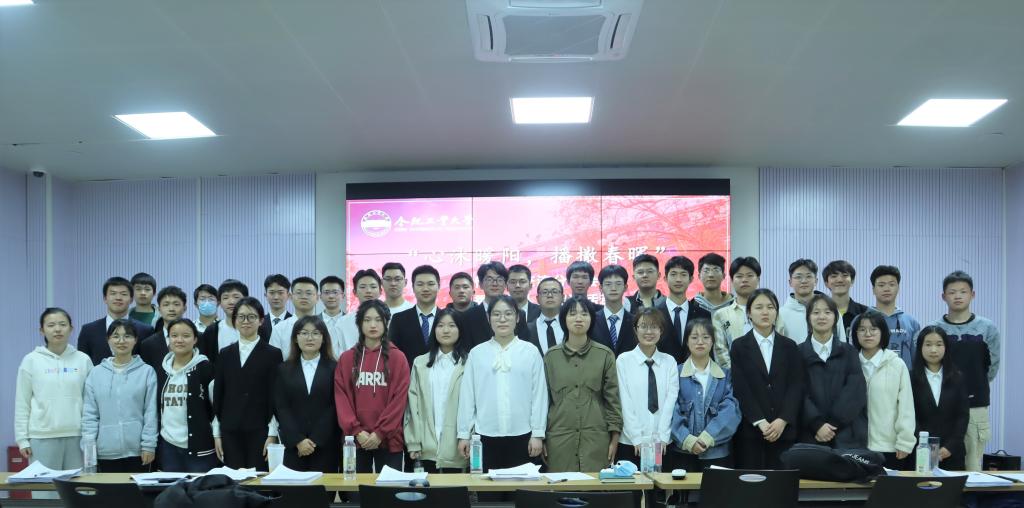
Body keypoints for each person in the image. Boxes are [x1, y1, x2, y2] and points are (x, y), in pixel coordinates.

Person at [457, 295, 547, 472]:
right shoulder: (477, 353)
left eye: (508, 313)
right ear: (488, 318)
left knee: (521, 487)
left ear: (517, 317)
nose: (502, 319)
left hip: (523, 435)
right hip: (484, 435)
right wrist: (464, 434)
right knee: (486, 488)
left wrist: (538, 433)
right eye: (496, 314)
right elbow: (467, 397)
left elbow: (539, 395)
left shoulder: (530, 352)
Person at [544, 297, 622, 472]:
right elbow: (544, 402)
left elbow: (613, 400)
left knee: (594, 488)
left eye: (584, 314)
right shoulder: (551, 357)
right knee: (561, 488)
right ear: (563, 319)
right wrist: (541, 437)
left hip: (596, 441)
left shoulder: (605, 355)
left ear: (592, 319)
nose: (578, 318)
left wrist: (614, 438)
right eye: (572, 314)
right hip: (559, 441)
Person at [932, 270, 1000, 471]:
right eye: (952, 292)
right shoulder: (934, 329)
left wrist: (974, 385)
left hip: (975, 406)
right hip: (941, 406)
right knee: (937, 465)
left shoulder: (987, 328)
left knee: (972, 467)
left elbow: (992, 366)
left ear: (972, 294)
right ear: (943, 296)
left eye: (963, 291)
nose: (958, 296)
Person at [730, 288, 804, 469]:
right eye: (759, 307)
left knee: (782, 482)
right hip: (751, 430)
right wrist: (760, 421)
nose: (765, 312)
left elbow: (796, 386)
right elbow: (741, 388)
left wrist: (782, 420)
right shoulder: (739, 346)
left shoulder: (790, 346)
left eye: (770, 307)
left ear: (776, 312)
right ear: (749, 313)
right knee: (751, 481)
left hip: (784, 430)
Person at [335, 300, 411, 472]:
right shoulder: (347, 359)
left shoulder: (398, 358)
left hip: (389, 439)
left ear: (386, 323)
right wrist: (357, 431)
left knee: (389, 487)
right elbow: (342, 399)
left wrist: (380, 432)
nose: (373, 325)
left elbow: (399, 401)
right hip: (355, 439)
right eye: (367, 320)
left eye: (378, 320)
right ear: (359, 324)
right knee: (355, 488)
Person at [15, 308, 93, 473]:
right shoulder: (31, 360)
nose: (57, 329)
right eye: (51, 325)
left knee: (77, 487)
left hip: (77, 436)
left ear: (71, 329)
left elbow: (91, 401)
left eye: (62, 324)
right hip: (42, 437)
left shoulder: (83, 360)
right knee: (44, 488)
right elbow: (22, 402)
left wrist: (91, 436)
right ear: (42, 330)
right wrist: (22, 439)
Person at [213, 297, 282, 469]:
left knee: (258, 479)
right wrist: (217, 433)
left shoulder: (273, 354)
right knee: (233, 480)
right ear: (234, 320)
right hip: (230, 429)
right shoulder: (225, 353)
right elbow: (218, 395)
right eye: (241, 317)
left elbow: (275, 396)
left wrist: (272, 433)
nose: (246, 321)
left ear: (261, 320)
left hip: (260, 429)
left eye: (252, 317)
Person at [82, 319, 158, 472]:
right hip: (105, 452)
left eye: (127, 336)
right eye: (116, 336)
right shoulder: (96, 373)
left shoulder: (147, 372)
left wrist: (149, 445)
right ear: (108, 340)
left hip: (138, 451)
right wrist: (89, 450)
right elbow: (90, 415)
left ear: (135, 340)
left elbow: (150, 412)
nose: (121, 341)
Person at [405, 308, 471, 473]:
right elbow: (413, 406)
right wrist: (414, 442)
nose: (446, 330)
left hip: (458, 448)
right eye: (440, 325)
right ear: (434, 330)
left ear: (460, 330)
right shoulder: (420, 363)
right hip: (426, 448)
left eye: (452, 325)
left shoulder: (469, 363)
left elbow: (474, 406)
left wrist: (470, 437)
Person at [670, 318, 741, 471]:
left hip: (717, 453)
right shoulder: (675, 373)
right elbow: (670, 410)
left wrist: (707, 437)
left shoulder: (725, 375)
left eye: (706, 337)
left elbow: (731, 410)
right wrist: (688, 440)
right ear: (687, 341)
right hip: (683, 453)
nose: (700, 342)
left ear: (712, 341)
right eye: (694, 337)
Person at [798, 295, 867, 449]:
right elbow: (797, 392)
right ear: (808, 318)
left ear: (835, 318)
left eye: (827, 312)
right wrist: (817, 424)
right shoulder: (798, 352)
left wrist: (833, 424)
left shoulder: (849, 352)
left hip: (845, 434)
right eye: (816, 312)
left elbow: (855, 391)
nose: (822, 317)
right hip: (809, 434)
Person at [273, 315, 340, 473]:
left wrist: (315, 440)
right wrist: (298, 440)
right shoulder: (284, 369)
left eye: (316, 333)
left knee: (324, 487)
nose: (310, 338)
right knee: (296, 488)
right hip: (295, 446)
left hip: (326, 445)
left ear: (324, 338)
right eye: (304, 333)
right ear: (295, 338)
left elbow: (335, 406)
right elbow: (281, 407)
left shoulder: (335, 368)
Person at [851, 311, 915, 470]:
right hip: (855, 447)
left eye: (873, 329)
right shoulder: (850, 363)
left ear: (883, 332)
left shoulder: (897, 365)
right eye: (862, 329)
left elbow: (906, 407)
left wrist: (905, 442)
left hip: (889, 446)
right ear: (855, 334)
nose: (868, 334)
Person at [615, 308, 679, 465]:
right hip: (631, 442)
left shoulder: (669, 362)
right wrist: (636, 437)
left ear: (661, 330)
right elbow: (625, 402)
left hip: (661, 444)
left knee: (659, 480)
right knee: (632, 480)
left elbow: (671, 402)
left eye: (654, 326)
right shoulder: (623, 361)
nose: (649, 331)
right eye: (643, 326)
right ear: (635, 329)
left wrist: (663, 436)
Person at [158, 318, 218, 472]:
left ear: (195, 339)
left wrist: (217, 435)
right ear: (168, 339)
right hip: (169, 446)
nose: (179, 340)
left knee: (201, 487)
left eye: (186, 335)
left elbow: (217, 408)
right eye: (174, 335)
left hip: (200, 446)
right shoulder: (161, 371)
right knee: (172, 487)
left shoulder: (206, 368)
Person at [712, 257, 788, 369]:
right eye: (739, 276)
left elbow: (781, 345)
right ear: (732, 281)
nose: (744, 280)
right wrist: (735, 374)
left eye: (749, 275)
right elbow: (720, 352)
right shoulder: (721, 315)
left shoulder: (772, 311)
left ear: (758, 279)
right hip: (735, 375)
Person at [911, 326, 969, 471]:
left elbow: (962, 416)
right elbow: (909, 416)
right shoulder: (910, 378)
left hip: (951, 453)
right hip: (919, 452)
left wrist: (950, 447)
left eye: (939, 344)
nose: (933, 350)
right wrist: (924, 446)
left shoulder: (958, 377)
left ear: (946, 347)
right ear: (920, 347)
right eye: (928, 344)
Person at [78, 276, 155, 365]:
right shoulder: (88, 330)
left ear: (131, 299)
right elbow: (83, 365)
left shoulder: (146, 330)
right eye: (113, 293)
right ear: (105, 298)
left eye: (123, 294)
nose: (118, 298)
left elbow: (149, 363)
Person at [654, 256, 711, 363]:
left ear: (691, 279)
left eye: (683, 274)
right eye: (673, 274)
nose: (678, 279)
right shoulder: (654, 314)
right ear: (665, 278)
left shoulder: (703, 315)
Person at [200, 279, 271, 363]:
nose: (231, 302)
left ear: (245, 300)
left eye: (236, 297)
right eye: (225, 298)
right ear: (220, 303)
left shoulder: (260, 329)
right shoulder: (211, 331)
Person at [462, 262, 528, 345]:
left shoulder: (519, 314)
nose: (495, 284)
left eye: (499, 280)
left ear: (505, 284)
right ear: (480, 284)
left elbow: (523, 344)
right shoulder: (468, 316)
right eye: (489, 279)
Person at [868, 265, 920, 368]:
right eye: (881, 285)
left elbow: (917, 359)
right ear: (873, 289)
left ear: (898, 288)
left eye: (891, 284)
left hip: (904, 377)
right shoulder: (861, 321)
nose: (887, 289)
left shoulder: (911, 323)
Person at [390, 265, 441, 368]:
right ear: (413, 287)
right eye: (420, 284)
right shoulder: (399, 319)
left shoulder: (449, 318)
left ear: (438, 286)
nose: (425, 289)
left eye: (430, 284)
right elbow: (392, 355)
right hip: (408, 376)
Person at [139, 286, 188, 376]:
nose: (171, 309)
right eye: (166, 304)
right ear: (159, 309)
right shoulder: (148, 344)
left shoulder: (197, 338)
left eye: (176, 304)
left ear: (184, 308)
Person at [269, 277, 320, 358]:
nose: (304, 297)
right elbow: (273, 359)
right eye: (299, 293)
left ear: (317, 298)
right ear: (291, 297)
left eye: (308, 293)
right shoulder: (279, 329)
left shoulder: (326, 327)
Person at [337, 269, 384, 357]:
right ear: (354, 292)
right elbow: (339, 354)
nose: (368, 291)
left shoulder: (389, 319)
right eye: (362, 287)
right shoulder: (342, 323)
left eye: (373, 287)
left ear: (380, 291)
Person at [592, 264, 636, 356]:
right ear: (600, 288)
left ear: (625, 287)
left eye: (618, 284)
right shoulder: (591, 320)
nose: (613, 288)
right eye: (608, 284)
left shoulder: (635, 321)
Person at [779, 259, 823, 345]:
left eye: (808, 276)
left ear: (816, 281)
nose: (803, 281)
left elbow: (842, 346)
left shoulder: (830, 311)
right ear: (790, 282)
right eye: (798, 277)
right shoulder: (780, 314)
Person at [822, 260, 867, 339]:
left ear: (852, 281)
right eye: (834, 276)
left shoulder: (864, 312)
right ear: (826, 283)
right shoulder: (819, 314)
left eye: (845, 275)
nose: (839, 280)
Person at [526, 277, 566, 355]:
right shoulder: (528, 329)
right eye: (544, 292)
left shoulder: (570, 325)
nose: (550, 295)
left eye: (554, 292)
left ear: (563, 297)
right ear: (537, 298)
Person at [319, 275, 347, 357]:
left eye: (335, 292)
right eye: (326, 292)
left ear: (343, 296)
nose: (331, 296)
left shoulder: (350, 322)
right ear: (320, 296)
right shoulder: (313, 322)